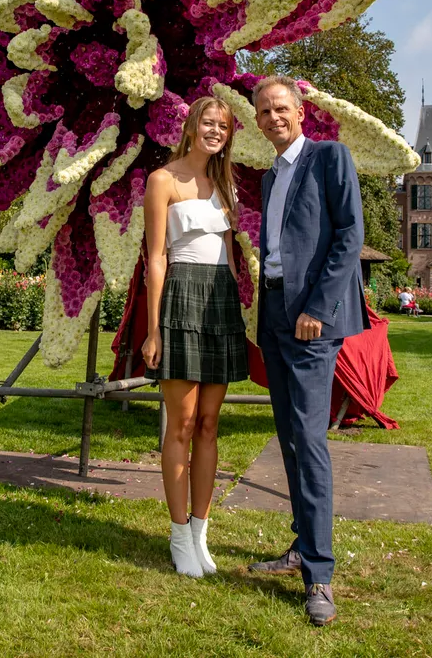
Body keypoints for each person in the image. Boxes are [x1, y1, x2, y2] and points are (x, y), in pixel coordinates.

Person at [247, 75, 368, 627]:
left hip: (311, 318)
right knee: (290, 436)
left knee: (310, 439)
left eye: (281, 108)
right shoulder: (271, 177)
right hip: (273, 313)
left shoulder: (328, 157)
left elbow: (348, 235)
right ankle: (302, 543)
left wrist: (317, 308)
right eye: (264, 111)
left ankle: (319, 573)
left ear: (300, 111)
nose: (273, 117)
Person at [141, 95, 248, 581]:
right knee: (180, 425)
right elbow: (156, 259)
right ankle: (179, 534)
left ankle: (202, 534)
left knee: (209, 424)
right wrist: (154, 328)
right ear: (191, 125)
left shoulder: (226, 183)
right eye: (209, 123)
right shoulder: (162, 180)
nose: (215, 132)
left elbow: (228, 256)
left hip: (220, 301)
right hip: (180, 294)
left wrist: (239, 313)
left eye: (223, 127)